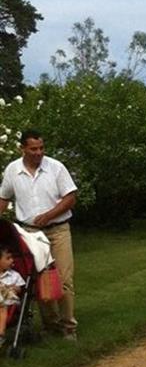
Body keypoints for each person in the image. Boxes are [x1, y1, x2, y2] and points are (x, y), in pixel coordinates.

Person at [0, 129, 79, 340]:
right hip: (31, 233)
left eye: (41, 148)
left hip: (58, 230)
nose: (38, 152)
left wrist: (50, 214)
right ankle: (50, 325)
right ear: (22, 148)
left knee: (63, 279)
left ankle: (68, 326)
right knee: (40, 280)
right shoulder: (12, 170)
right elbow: (4, 198)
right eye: (33, 148)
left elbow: (70, 197)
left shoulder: (55, 168)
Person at [0, 245, 25, 346]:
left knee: (3, 307)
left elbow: (20, 289)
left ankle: (0, 334)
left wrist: (14, 288)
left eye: (12, 257)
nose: (12, 260)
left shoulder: (14, 275)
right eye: (8, 258)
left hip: (8, 301)